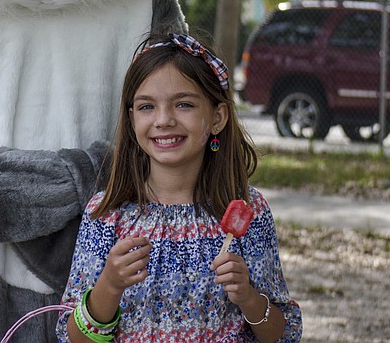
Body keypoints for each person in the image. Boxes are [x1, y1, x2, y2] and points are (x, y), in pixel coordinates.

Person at [56, 33, 302, 342]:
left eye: (183, 104)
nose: (163, 120)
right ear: (131, 118)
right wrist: (109, 285)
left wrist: (249, 298)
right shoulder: (107, 215)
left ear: (217, 117)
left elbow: (282, 334)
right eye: (146, 107)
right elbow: (73, 338)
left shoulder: (246, 210)